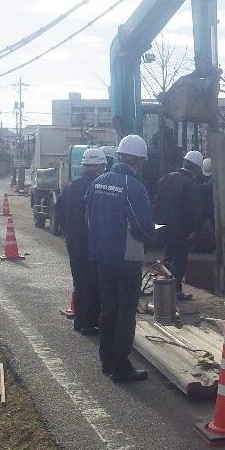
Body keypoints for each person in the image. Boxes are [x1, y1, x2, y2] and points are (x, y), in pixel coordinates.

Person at [85, 135, 158, 383]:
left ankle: (106, 360)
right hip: (126, 259)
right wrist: (155, 236)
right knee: (126, 313)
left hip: (102, 256)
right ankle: (121, 366)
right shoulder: (133, 186)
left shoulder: (98, 182)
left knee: (108, 308)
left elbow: (89, 215)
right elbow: (141, 225)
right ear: (139, 160)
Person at [56, 147, 106, 335]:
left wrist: (67, 231)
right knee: (94, 283)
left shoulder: (71, 186)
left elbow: (59, 210)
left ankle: (80, 321)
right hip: (93, 243)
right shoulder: (100, 187)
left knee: (80, 281)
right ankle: (90, 322)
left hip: (74, 243)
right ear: (100, 166)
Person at [153, 150, 204, 300]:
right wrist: (192, 229)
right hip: (180, 230)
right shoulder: (191, 184)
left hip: (164, 227)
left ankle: (166, 289)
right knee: (179, 260)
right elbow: (192, 210)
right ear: (196, 168)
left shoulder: (167, 178)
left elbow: (157, 202)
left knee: (168, 257)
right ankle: (175, 291)